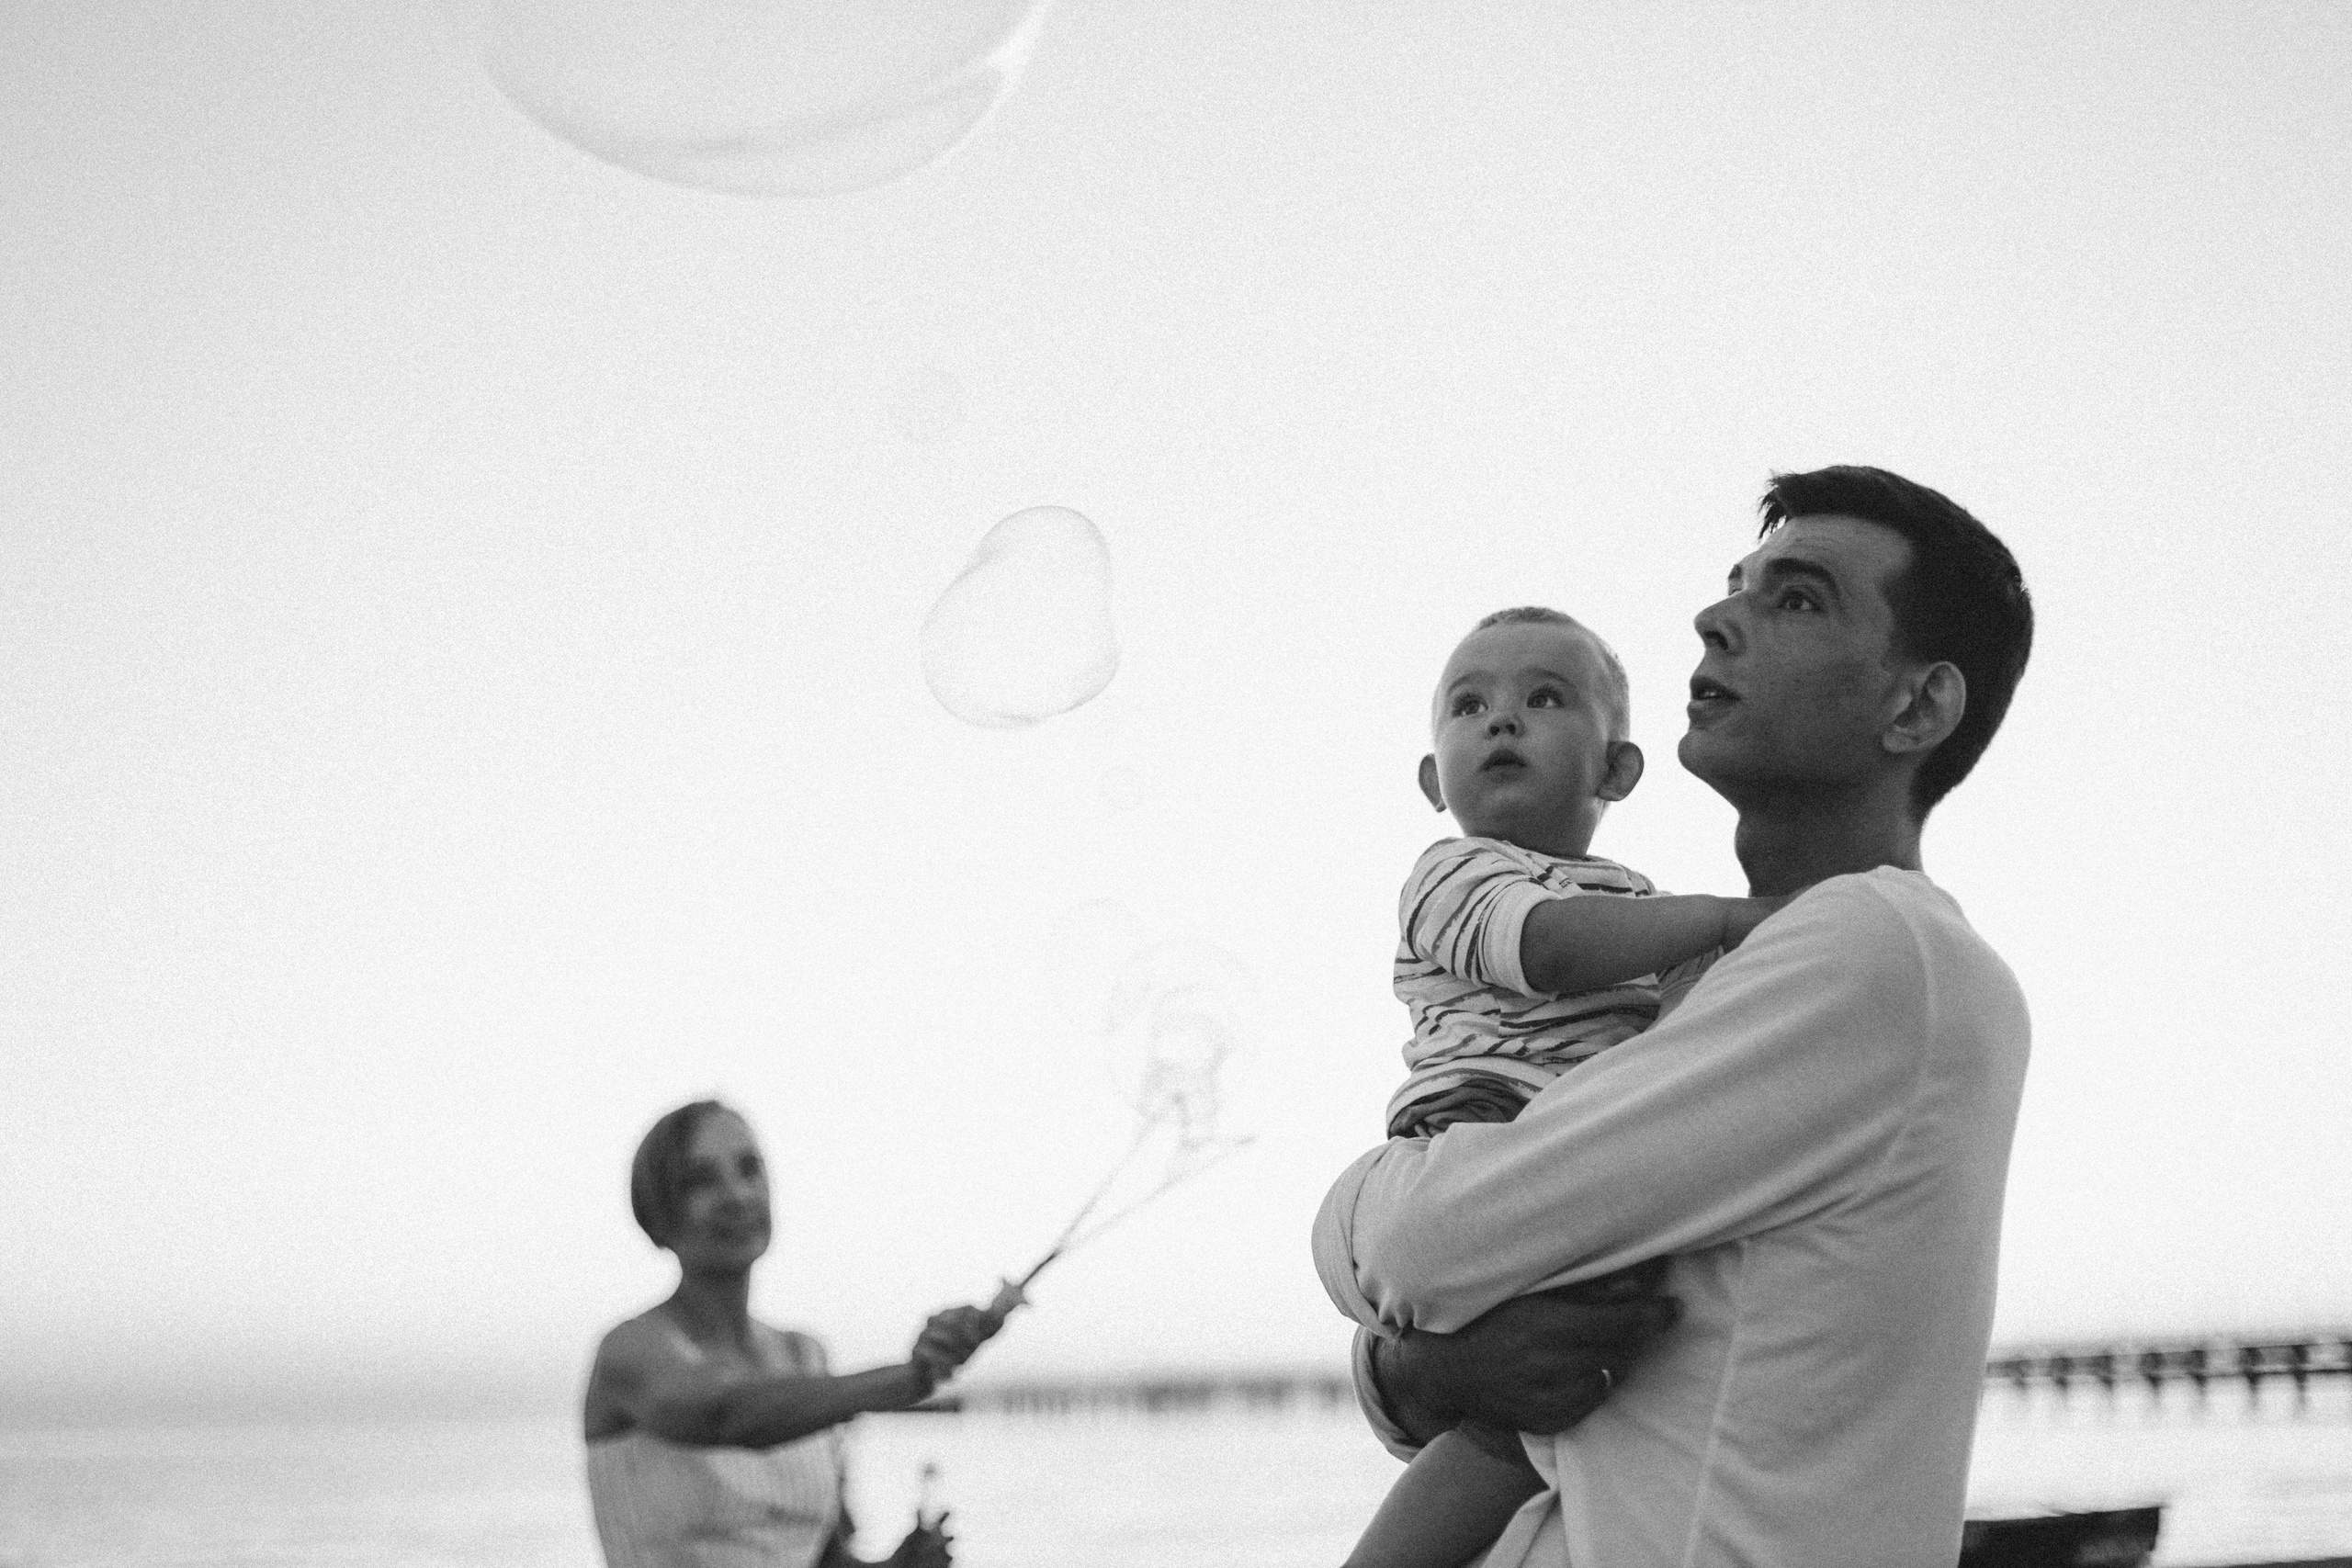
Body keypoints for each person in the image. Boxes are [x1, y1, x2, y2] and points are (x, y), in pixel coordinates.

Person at [1314, 466, 2035, 1567]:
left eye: (1794, 599)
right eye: (1734, 586)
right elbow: (1513, 1318)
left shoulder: (1871, 950)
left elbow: (1427, 1239)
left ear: (1916, 706)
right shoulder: (1720, 978)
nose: (1715, 617)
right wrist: (1421, 1372)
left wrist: (1350, 1215)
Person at [1319, 605, 1787, 1568]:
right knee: (1521, 1410)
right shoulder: (1456, 873)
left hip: (1570, 1172)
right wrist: (1728, 920)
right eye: (1469, 706)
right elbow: (1549, 947)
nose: (1501, 721)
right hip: (1477, 1135)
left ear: (1614, 769)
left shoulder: (1639, 902)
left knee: (1515, 1431)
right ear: (1429, 777)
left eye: (1544, 699)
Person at [583, 1099, 1005, 1568]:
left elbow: (823, 1559)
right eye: (701, 1180)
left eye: (750, 1169)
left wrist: (896, 1566)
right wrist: (906, 1380)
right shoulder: (631, 1350)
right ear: (657, 1213)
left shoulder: (806, 1356)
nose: (738, 1195)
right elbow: (724, 1415)